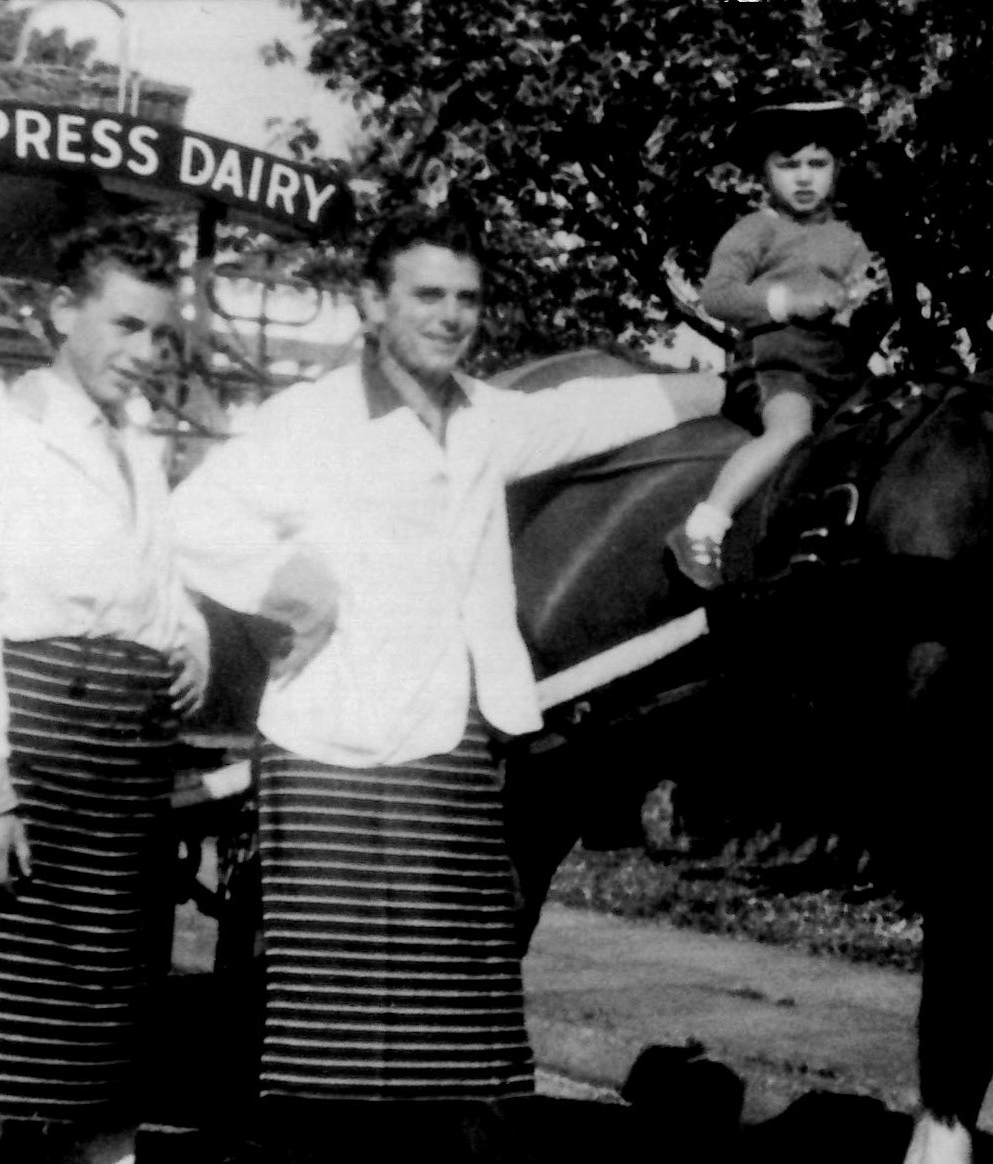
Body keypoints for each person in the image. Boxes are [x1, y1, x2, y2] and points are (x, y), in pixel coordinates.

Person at [169, 205, 723, 1156]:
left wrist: (731, 383)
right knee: (332, 1031)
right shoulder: (308, 421)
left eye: (466, 298)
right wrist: (285, 585)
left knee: (454, 1027)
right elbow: (191, 519)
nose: (451, 316)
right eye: (428, 295)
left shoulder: (481, 417)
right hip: (329, 750)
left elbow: (588, 414)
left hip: (449, 745)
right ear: (371, 304)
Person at [0, 217, 209, 1164]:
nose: (146, 353)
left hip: (122, 793)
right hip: (28, 777)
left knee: (102, 1078)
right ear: (59, 312)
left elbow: (150, 586)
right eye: (126, 326)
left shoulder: (137, 449)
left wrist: (187, 635)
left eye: (160, 333)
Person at [666, 93, 890, 589]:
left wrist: (861, 302)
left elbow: (861, 305)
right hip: (778, 360)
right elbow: (718, 296)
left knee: (884, 430)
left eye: (818, 163)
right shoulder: (756, 231)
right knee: (790, 431)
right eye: (788, 166)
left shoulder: (848, 240)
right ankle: (704, 527)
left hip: (838, 364)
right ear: (764, 175)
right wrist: (789, 302)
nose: (804, 178)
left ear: (837, 168)